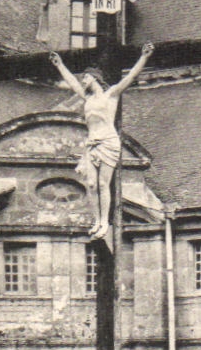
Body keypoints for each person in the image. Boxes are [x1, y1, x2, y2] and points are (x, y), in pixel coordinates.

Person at [49, 42, 155, 243]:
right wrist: (59, 65)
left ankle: (104, 222)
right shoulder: (87, 98)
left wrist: (144, 57)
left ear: (95, 78)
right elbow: (72, 82)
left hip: (108, 142)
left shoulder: (111, 95)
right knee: (91, 184)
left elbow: (130, 77)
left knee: (103, 183)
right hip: (91, 144)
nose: (83, 80)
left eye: (86, 77)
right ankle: (97, 220)